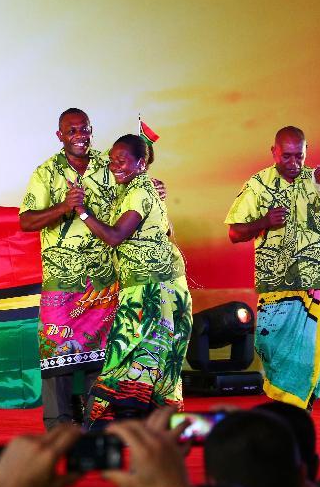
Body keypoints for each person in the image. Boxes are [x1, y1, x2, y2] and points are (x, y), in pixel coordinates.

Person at [225, 126, 320, 410]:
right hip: (276, 285)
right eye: (286, 156)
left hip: (319, 280)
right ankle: (284, 404)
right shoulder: (257, 185)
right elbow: (234, 233)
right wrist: (263, 222)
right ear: (273, 151)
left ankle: (299, 408)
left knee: (314, 350)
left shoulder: (318, 181)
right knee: (271, 346)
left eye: (298, 156)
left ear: (306, 151)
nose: (293, 163)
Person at [18, 108, 122, 430]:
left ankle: (97, 429)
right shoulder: (46, 172)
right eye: (72, 130)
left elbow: (136, 188)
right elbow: (26, 221)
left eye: (84, 129)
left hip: (104, 280)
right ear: (60, 135)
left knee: (101, 359)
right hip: (61, 284)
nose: (80, 136)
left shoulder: (110, 165)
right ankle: (59, 431)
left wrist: (154, 189)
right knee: (56, 360)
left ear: (91, 130)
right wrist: (64, 207)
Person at [80, 134, 191, 427]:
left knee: (130, 353)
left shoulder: (139, 192)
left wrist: (81, 212)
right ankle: (153, 425)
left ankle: (108, 426)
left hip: (151, 287)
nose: (115, 165)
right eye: (112, 160)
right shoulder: (141, 188)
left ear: (141, 163)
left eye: (122, 160)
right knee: (155, 354)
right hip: (163, 283)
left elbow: (116, 236)